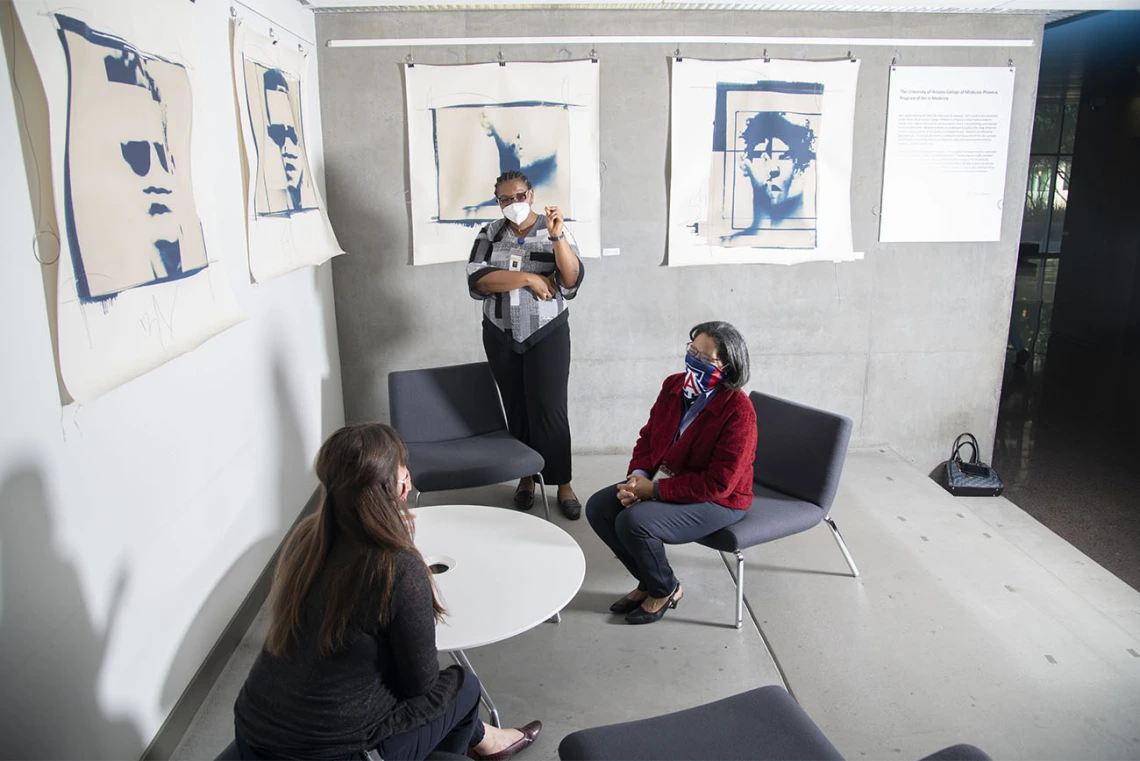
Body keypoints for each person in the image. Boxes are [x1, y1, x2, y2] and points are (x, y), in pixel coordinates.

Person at [233, 424, 541, 760]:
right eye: (401, 469)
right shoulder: (395, 567)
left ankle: (487, 740)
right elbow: (420, 685)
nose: (408, 475)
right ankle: (478, 745)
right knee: (462, 685)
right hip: (330, 752)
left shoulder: (307, 539)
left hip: (254, 727)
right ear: (395, 486)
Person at [586, 322, 757, 625]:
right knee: (600, 507)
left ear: (728, 367)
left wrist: (652, 492)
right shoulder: (674, 386)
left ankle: (665, 589)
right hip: (665, 480)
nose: (694, 361)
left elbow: (719, 483)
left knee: (634, 522)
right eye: (692, 351)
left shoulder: (739, 412)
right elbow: (649, 437)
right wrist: (635, 479)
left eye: (705, 358)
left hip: (720, 500)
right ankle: (650, 581)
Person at [466, 170, 584, 519]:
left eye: (519, 196)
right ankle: (525, 477)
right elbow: (479, 280)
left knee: (549, 409)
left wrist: (557, 237)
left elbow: (570, 278)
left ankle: (562, 484)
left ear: (530, 194)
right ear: (498, 201)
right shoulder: (489, 233)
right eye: (505, 199)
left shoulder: (553, 229)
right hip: (501, 333)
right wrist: (530, 278)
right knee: (516, 407)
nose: (513, 204)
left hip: (546, 332)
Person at [723, 111, 817, 241]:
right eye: (760, 155)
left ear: (798, 168)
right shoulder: (727, 245)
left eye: (784, 157)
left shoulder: (816, 243)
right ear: (744, 164)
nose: (773, 169)